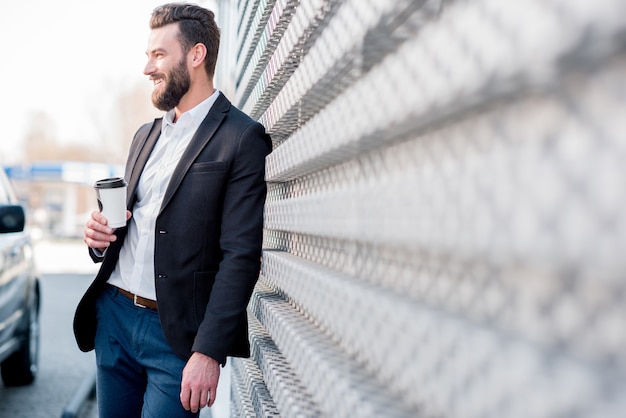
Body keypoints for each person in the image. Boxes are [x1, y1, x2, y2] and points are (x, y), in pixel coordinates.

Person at [72, 3, 272, 417]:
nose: (147, 68)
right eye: (148, 55)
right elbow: (133, 227)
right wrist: (99, 239)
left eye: (158, 55)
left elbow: (241, 256)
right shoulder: (145, 135)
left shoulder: (240, 138)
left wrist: (209, 353)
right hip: (115, 318)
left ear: (195, 56)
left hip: (177, 337)